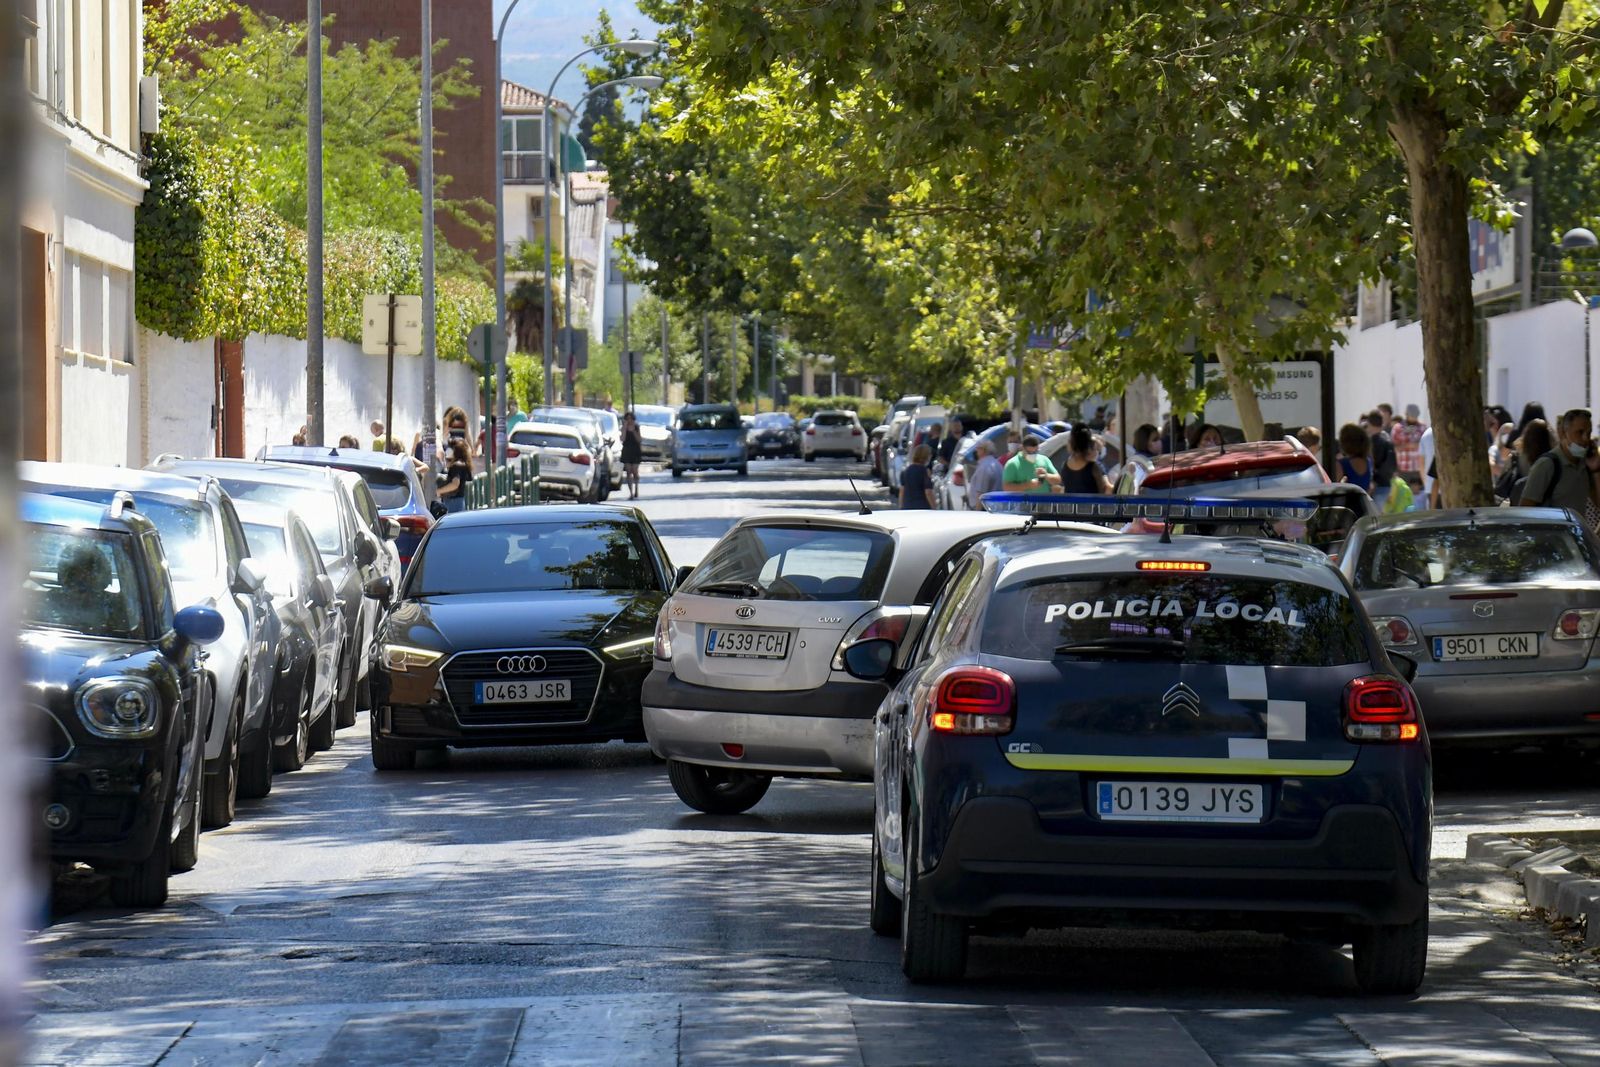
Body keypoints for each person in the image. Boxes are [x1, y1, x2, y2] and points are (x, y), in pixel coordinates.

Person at [1519, 409, 1592, 513]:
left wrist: (1596, 470)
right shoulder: (1547, 465)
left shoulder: (1586, 464)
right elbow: (1525, 509)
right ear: (1563, 433)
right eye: (1579, 432)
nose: (1585, 439)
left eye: (1588, 433)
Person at [1057, 426, 1111, 494]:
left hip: (1071, 504)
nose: (1097, 452)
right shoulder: (1094, 467)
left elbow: (1064, 488)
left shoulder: (1066, 465)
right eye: (1095, 449)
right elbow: (1106, 489)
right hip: (1090, 503)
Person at [1363, 410, 1398, 508]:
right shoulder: (1388, 439)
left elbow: (1373, 464)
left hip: (1375, 486)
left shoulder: (1373, 442)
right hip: (1386, 484)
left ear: (1369, 423)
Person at [436, 440, 473, 514]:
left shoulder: (456, 466)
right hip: (460, 500)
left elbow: (455, 484)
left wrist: (439, 491)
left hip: (452, 501)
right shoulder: (464, 464)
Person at [1336, 422, 1373, 492]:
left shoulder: (1342, 464)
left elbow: (1332, 486)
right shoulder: (1368, 461)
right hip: (1363, 501)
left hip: (1348, 501)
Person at [967, 438, 1004, 509]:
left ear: (983, 450)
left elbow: (981, 494)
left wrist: (977, 515)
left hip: (984, 510)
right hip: (996, 508)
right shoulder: (998, 464)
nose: (976, 451)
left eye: (977, 448)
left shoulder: (984, 467)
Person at [1391, 404, 1427, 472]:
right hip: (1403, 467)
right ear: (1406, 414)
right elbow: (1393, 448)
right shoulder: (1397, 428)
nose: (1414, 418)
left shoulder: (1423, 428)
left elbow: (1427, 447)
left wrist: (1418, 445)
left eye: (1416, 416)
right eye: (1412, 415)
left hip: (1419, 468)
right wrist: (1407, 445)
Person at [899, 444, 936, 509]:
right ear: (926, 456)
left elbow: (902, 491)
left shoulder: (905, 471)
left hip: (908, 507)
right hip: (923, 507)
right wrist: (934, 507)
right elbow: (928, 492)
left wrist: (901, 507)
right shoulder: (925, 471)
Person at [620, 411, 644, 499]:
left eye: (631, 419)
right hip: (627, 451)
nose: (629, 421)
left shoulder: (636, 427)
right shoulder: (623, 428)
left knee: (635, 471)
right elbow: (622, 438)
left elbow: (639, 439)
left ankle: (636, 489)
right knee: (628, 471)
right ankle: (631, 493)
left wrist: (633, 430)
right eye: (627, 419)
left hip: (635, 451)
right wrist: (625, 428)